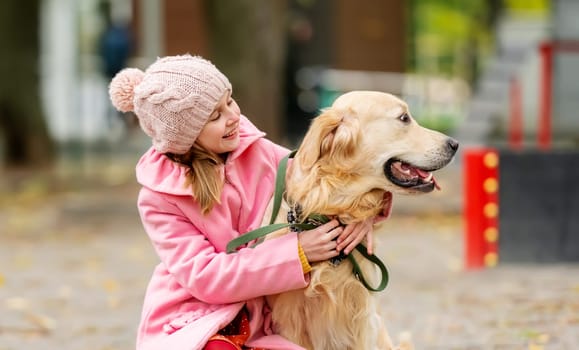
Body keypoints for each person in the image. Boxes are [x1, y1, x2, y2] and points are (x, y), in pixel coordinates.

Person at [108, 54, 379, 350]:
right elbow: (206, 277)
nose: (233, 116)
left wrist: (366, 212)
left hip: (263, 322)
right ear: (185, 137)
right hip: (198, 318)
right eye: (215, 116)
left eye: (230, 101)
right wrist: (297, 252)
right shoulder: (159, 196)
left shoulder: (258, 151)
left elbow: (321, 178)